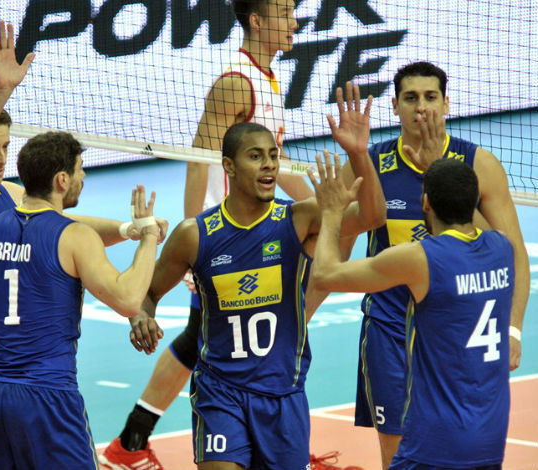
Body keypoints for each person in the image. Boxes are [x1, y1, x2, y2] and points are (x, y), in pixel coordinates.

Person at [100, 0, 384, 467]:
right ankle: (136, 442)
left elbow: (278, 163)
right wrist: (196, 241)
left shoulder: (266, 78)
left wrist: (327, 201)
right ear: (256, 20)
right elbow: (200, 157)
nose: (294, 21)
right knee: (215, 336)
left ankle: (138, 442)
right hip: (225, 238)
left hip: (259, 228)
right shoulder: (236, 82)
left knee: (215, 334)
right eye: (284, 12)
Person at [0, 22, 158, 470]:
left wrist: (127, 229)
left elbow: (62, 226)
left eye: (5, 147)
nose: (1, 158)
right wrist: (1, 91)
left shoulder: (7, 198)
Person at [126, 121, 382, 470]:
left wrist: (359, 153)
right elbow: (146, 293)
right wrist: (141, 315)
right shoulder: (195, 235)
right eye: (256, 156)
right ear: (229, 166)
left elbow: (373, 217)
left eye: (273, 156)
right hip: (220, 393)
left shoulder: (298, 219)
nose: (269, 165)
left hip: (283, 395)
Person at [0, 131, 165, 469]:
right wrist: (148, 237)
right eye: (80, 170)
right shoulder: (75, 237)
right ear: (61, 180)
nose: (83, 177)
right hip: (48, 396)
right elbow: (128, 299)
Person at [349, 61, 529, 469]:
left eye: (431, 97)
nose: (421, 108)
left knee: (462, 449)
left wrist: (513, 329)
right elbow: (336, 245)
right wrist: (299, 319)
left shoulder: (478, 164)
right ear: (394, 106)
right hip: (390, 330)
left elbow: (511, 251)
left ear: (446, 104)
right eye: (410, 98)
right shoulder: (371, 163)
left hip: (455, 335)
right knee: (397, 455)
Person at [309, 156, 514, 470]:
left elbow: (325, 274)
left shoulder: (421, 259)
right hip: (491, 437)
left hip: (436, 440)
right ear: (473, 200)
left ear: (426, 203)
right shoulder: (502, 248)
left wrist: (332, 213)